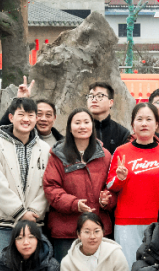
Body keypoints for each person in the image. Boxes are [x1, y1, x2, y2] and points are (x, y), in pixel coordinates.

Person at [106, 103, 159, 268]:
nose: (144, 123)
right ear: (132, 125)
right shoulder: (121, 152)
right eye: (139, 119)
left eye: (149, 119)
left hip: (158, 221)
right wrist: (120, 178)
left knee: (156, 270)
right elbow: (110, 185)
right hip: (126, 222)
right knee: (127, 268)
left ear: (157, 124)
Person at [43, 108, 115, 262]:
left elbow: (112, 187)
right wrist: (74, 204)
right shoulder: (58, 155)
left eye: (86, 122)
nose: (82, 126)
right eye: (77, 123)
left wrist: (106, 200)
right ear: (70, 128)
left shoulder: (105, 155)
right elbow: (51, 187)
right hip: (66, 230)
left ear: (92, 126)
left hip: (98, 228)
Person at [0, 97, 52, 257]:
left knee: (35, 268)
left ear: (36, 118)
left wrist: (33, 212)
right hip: (4, 224)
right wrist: (21, 213)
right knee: (3, 267)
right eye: (21, 114)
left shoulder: (45, 149)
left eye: (30, 115)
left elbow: (48, 184)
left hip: (34, 223)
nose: (26, 119)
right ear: (11, 117)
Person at [0, 78, 63, 146]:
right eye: (39, 114)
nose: (43, 119)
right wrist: (20, 100)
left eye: (48, 115)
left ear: (54, 118)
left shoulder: (63, 143)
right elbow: (4, 127)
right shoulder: (21, 139)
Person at [87, 81, 131, 155]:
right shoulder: (82, 130)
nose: (94, 100)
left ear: (110, 102)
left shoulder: (122, 133)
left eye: (100, 96)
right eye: (91, 96)